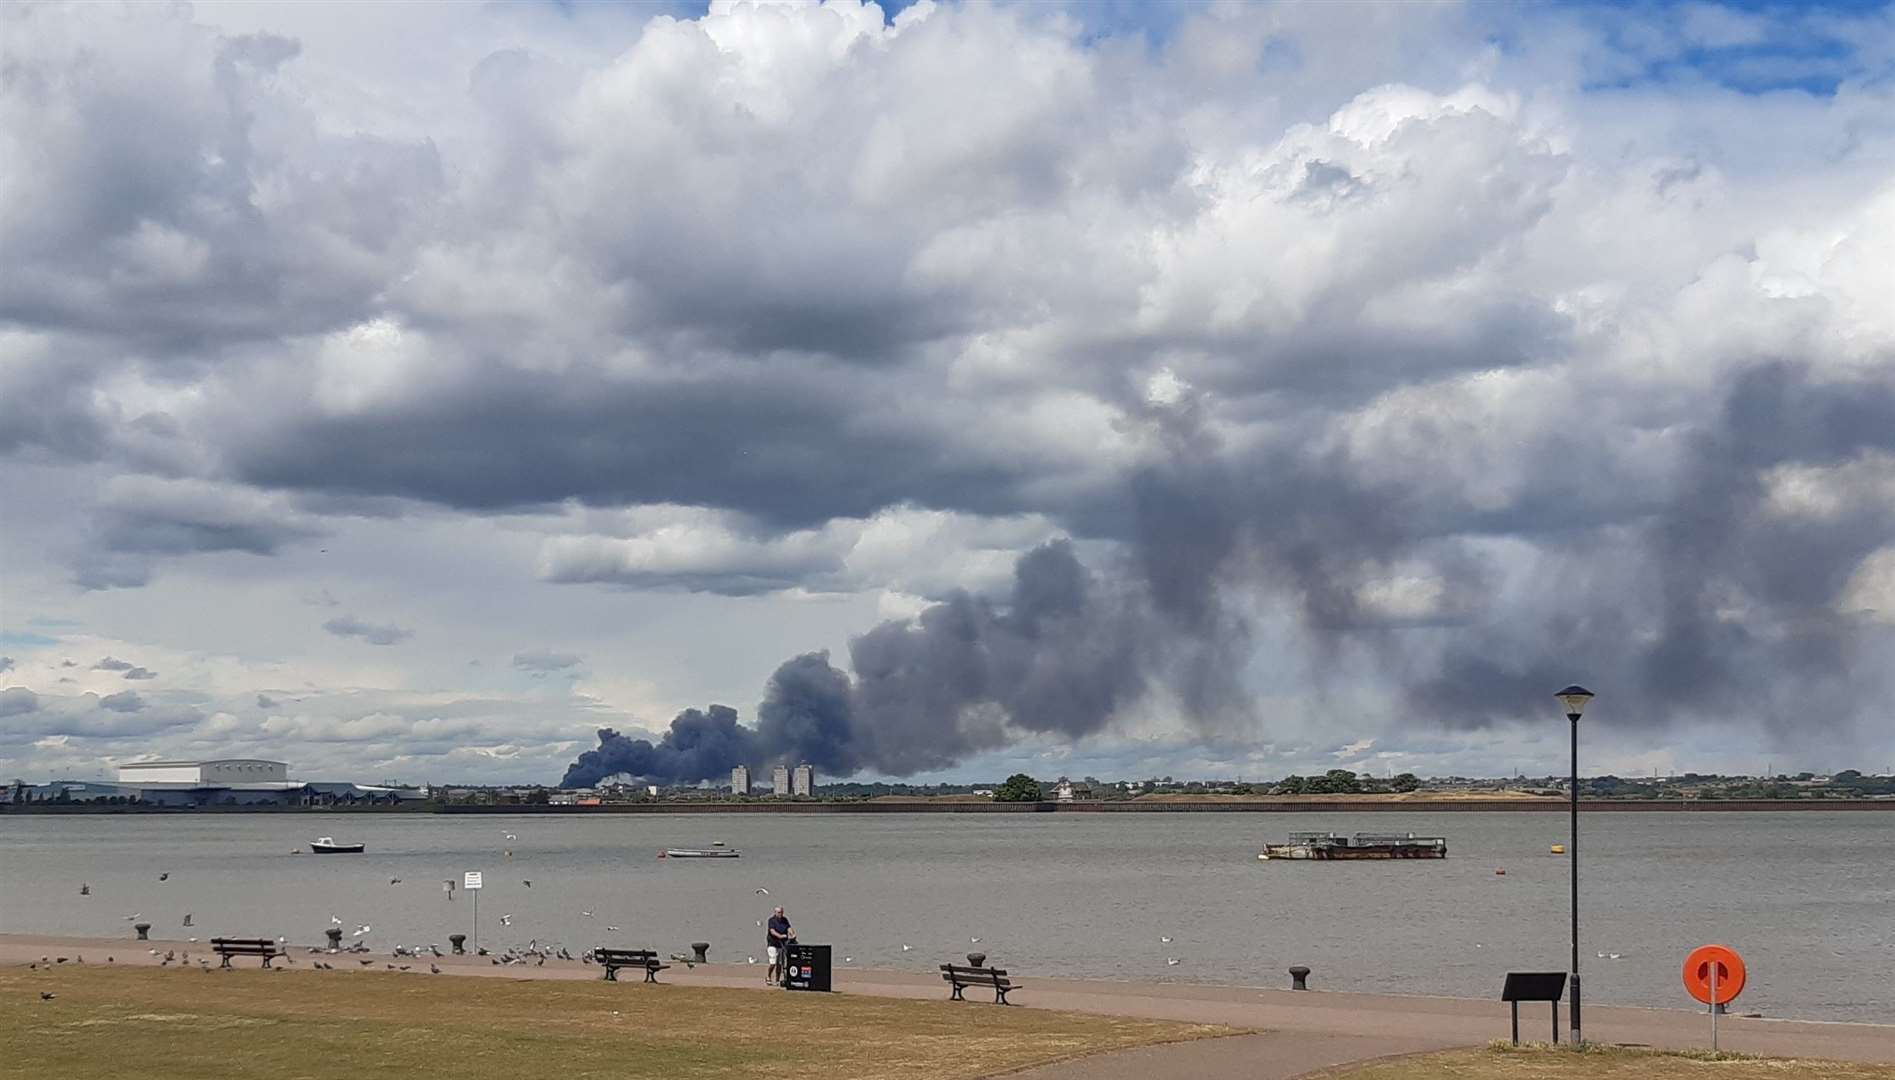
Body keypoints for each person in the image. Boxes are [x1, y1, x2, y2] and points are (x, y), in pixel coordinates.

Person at [765, 906, 793, 986]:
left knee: (779, 963)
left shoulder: (784, 920)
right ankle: (768, 976)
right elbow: (772, 931)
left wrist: (792, 934)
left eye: (781, 912)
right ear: (775, 913)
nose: (780, 914)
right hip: (772, 944)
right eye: (779, 912)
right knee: (773, 963)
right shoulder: (771, 920)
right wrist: (780, 936)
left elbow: (789, 928)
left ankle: (777, 979)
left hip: (781, 945)